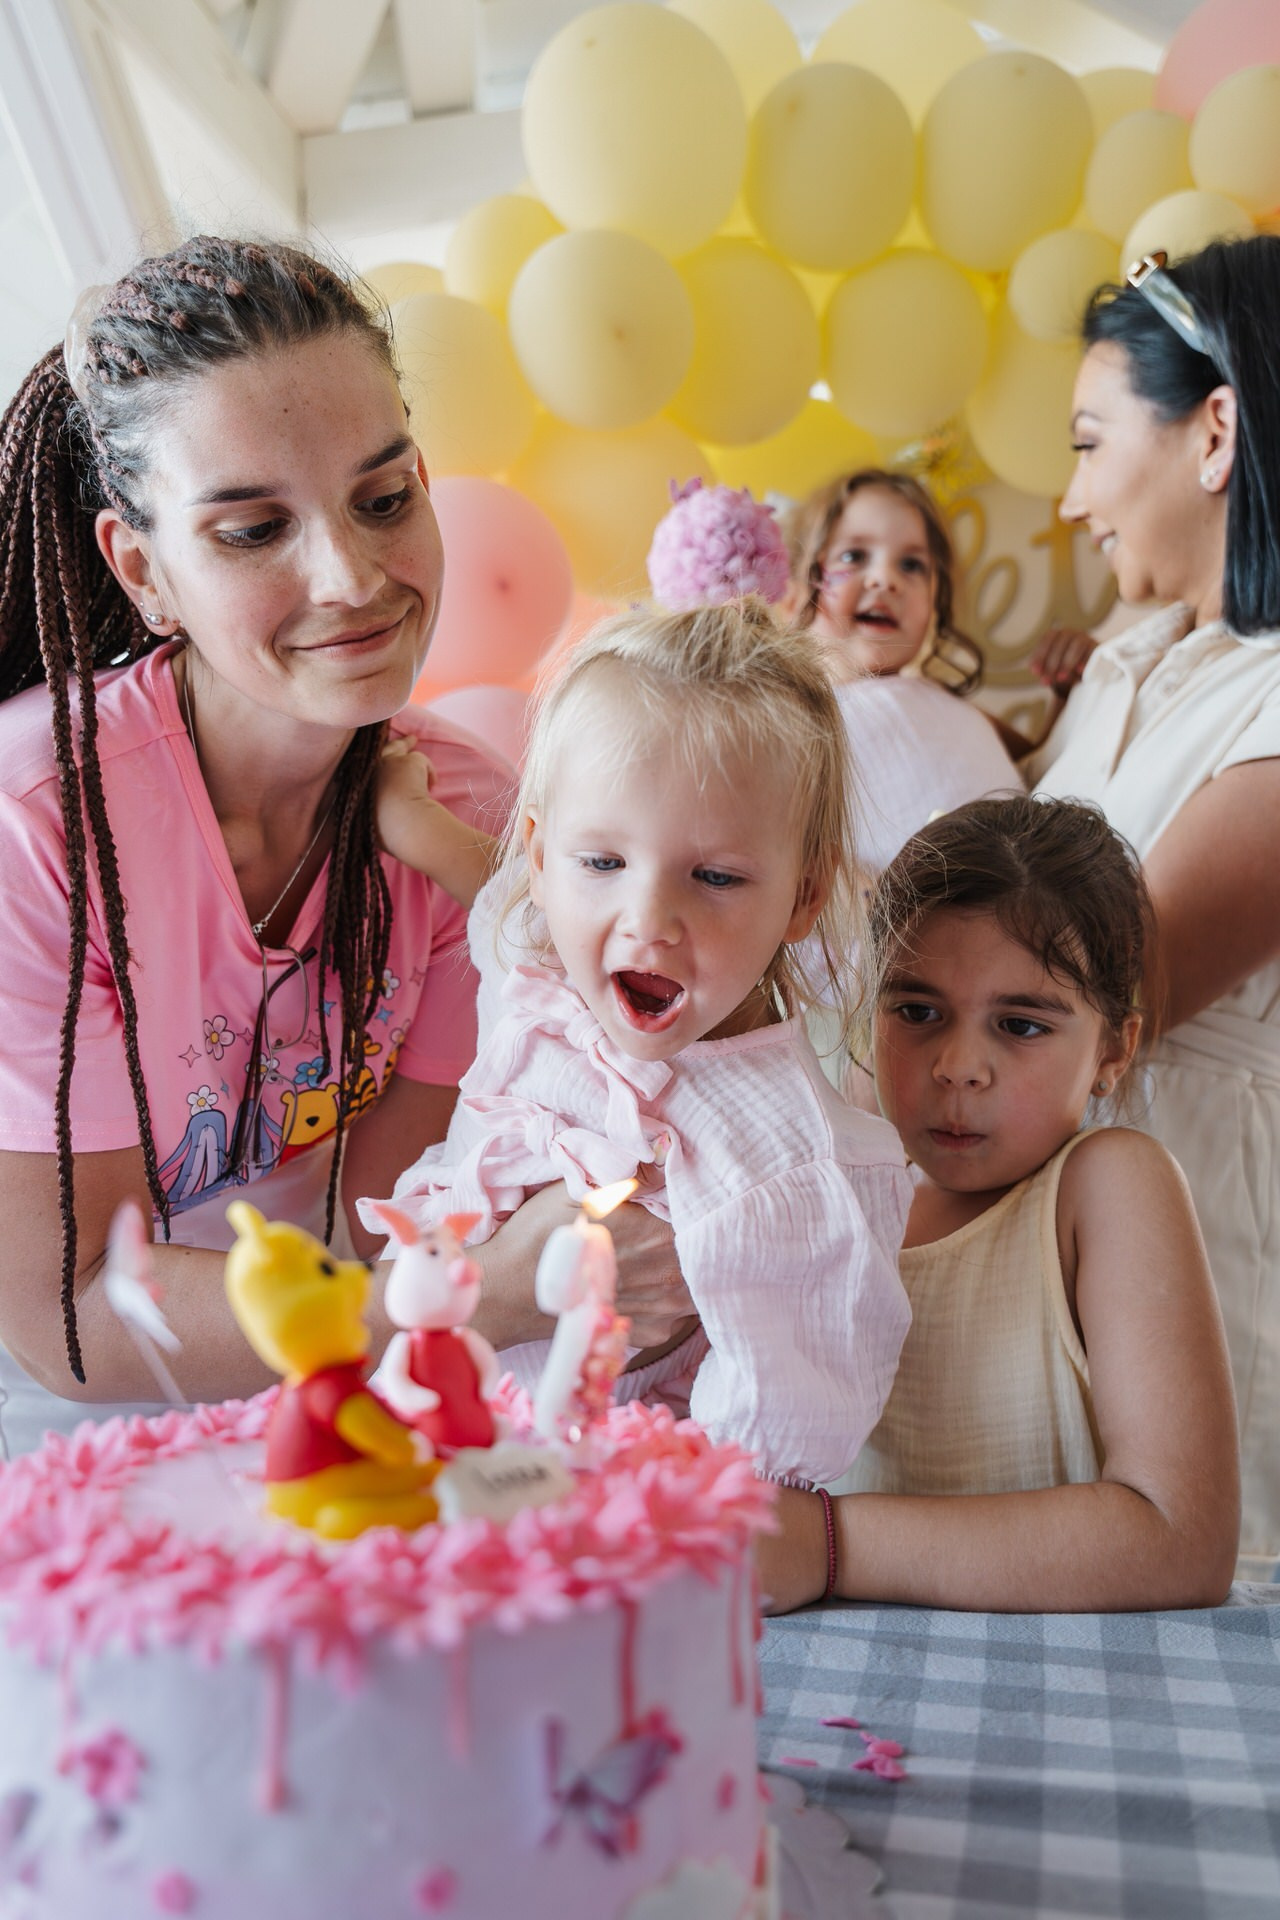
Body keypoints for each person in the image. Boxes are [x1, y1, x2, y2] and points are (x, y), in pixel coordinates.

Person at [0, 235, 689, 1456]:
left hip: (308, 1388)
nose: (353, 576)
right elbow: (72, 1321)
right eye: (252, 531)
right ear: (141, 570)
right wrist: (466, 1295)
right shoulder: (38, 822)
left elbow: (377, 1216)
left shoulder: (464, 814)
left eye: (383, 500)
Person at [361, 601, 913, 1486]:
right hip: (399, 1423)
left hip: (573, 1513)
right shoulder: (536, 954)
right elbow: (481, 875)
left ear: (804, 898)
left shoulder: (791, 1168)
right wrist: (405, 812)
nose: (648, 923)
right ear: (541, 862)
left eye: (717, 877)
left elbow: (765, 1450)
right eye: (604, 864)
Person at [758, 795, 1239, 1612]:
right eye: (916, 1011)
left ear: (1112, 1051)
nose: (958, 1066)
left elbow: (1182, 1540)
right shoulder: (835, 1195)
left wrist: (828, 1545)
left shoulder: (1103, 1189)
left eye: (1019, 1026)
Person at [1028, 235, 1280, 1577]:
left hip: (1214, 1264)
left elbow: (1112, 994)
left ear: (1217, 431)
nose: (1071, 501)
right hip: (1065, 1258)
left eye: (1086, 442)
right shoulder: (1128, 665)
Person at [783, 468, 1018, 876]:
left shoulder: (939, 704)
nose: (885, 579)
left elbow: (1034, 764)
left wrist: (1068, 694)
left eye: (911, 565)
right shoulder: (782, 719)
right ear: (793, 593)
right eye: (854, 556)